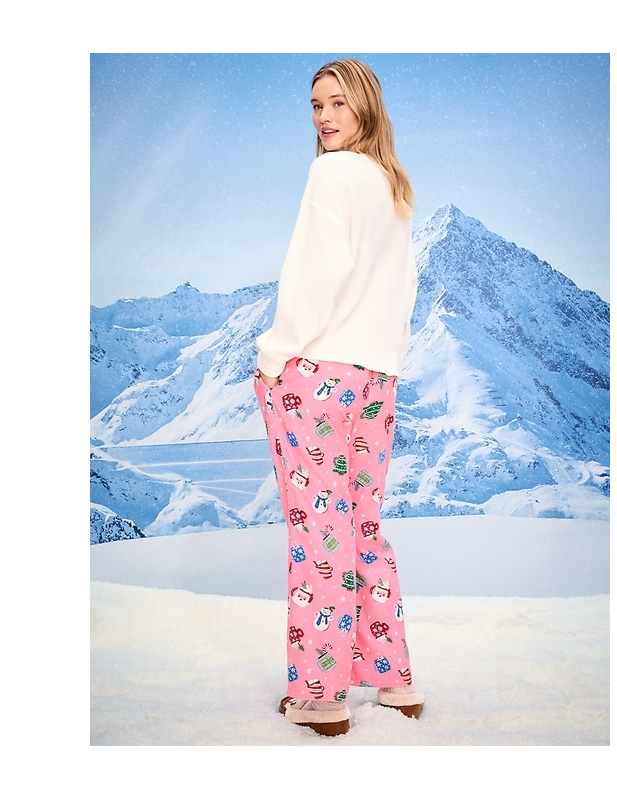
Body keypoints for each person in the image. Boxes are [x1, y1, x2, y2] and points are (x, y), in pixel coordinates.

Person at [254, 58, 425, 736]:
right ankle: (395, 682)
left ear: (365, 107)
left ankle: (320, 696)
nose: (324, 117)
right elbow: (404, 289)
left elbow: (314, 277)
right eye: (316, 105)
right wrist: (383, 360)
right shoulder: (392, 185)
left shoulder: (332, 174)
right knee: (361, 525)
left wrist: (275, 355)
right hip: (376, 378)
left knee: (318, 533)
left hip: (317, 375)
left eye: (337, 103)